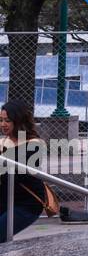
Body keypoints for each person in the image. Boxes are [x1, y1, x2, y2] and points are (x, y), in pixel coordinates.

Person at [0, 103, 49, 241]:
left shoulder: (35, 143)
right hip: (4, 200)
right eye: (1, 120)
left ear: (19, 120)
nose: (3, 124)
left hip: (27, 204)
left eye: (8, 120)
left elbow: (18, 173)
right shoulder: (4, 142)